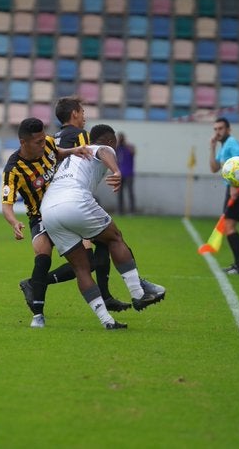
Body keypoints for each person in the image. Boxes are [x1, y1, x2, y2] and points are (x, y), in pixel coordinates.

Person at [40, 124, 166, 329]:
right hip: (74, 201)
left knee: (81, 268)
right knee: (114, 237)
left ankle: (107, 321)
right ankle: (139, 293)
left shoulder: (69, 158)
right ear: (110, 140)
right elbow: (104, 150)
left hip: (48, 211)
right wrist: (116, 170)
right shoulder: (99, 147)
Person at [1, 118, 93, 327]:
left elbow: (57, 152)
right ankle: (38, 316)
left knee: (88, 261)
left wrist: (74, 150)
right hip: (40, 217)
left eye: (44, 140)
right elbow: (6, 205)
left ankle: (34, 284)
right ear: (23, 142)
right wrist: (14, 222)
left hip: (64, 209)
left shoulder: (48, 142)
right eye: (38, 142)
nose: (44, 144)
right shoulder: (14, 170)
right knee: (43, 257)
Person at [51, 96, 131, 312]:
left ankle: (106, 296)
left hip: (52, 202)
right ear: (75, 113)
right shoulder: (81, 137)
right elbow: (95, 155)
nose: (85, 116)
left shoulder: (53, 138)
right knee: (92, 256)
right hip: (72, 203)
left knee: (98, 249)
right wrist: (115, 170)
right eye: (83, 111)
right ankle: (36, 283)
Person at [208, 117, 239, 274]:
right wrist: (212, 147)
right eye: (215, 129)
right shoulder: (222, 146)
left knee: (229, 226)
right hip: (233, 188)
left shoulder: (232, 143)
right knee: (228, 226)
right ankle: (238, 264)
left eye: (220, 128)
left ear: (228, 129)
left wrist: (235, 186)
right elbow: (214, 168)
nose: (217, 132)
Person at [116, 132, 136, 215]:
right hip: (119, 174)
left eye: (121, 138)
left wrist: (125, 144)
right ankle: (120, 211)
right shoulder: (117, 149)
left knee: (130, 192)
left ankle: (132, 211)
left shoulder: (129, 147)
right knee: (119, 193)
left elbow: (133, 152)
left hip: (129, 173)